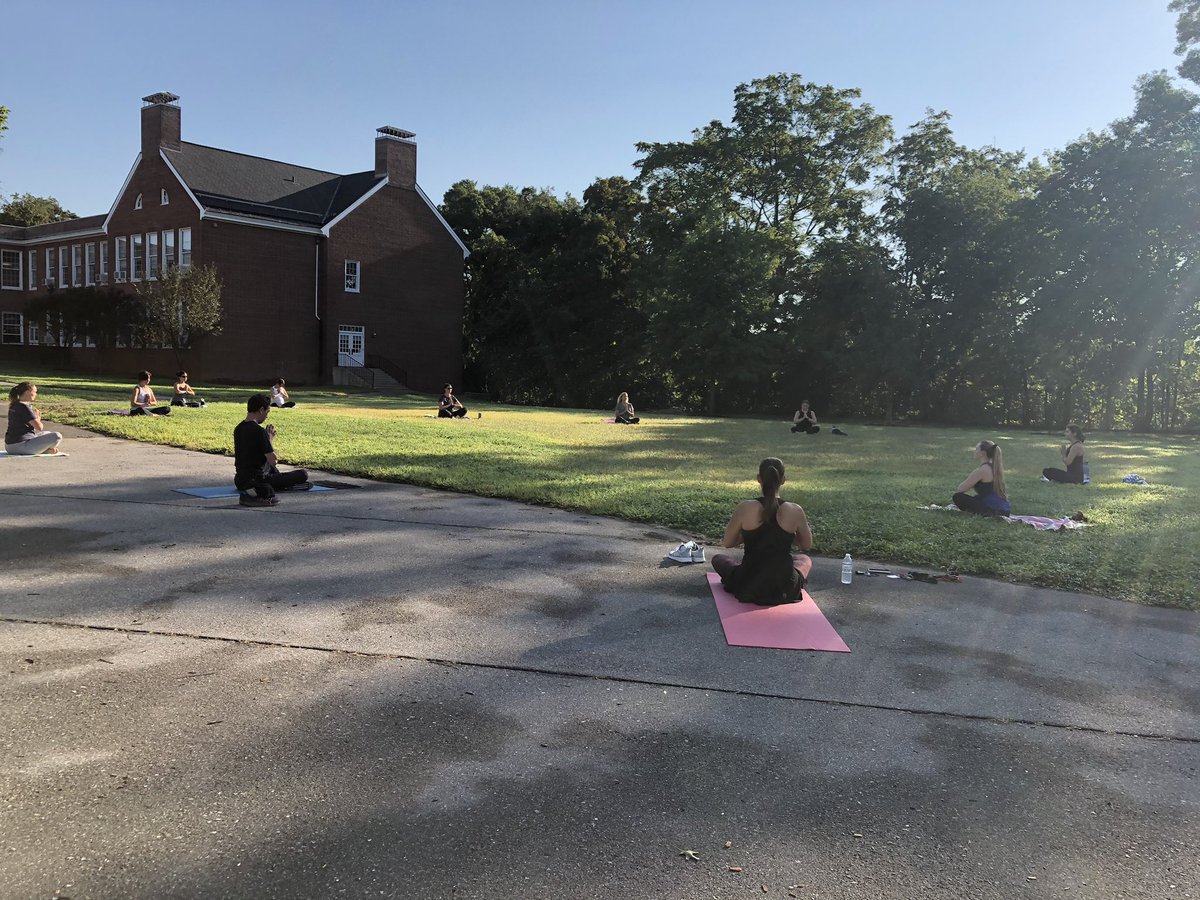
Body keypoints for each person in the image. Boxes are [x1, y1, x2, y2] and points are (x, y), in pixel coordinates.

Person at [711, 457, 813, 605]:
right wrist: (786, 535)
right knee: (804, 559)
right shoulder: (795, 510)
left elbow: (728, 542)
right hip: (785, 588)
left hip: (747, 584)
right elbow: (806, 544)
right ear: (783, 480)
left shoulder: (745, 507)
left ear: (759, 479)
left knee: (718, 559)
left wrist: (749, 534)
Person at [233, 393, 310, 507]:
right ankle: (282, 486)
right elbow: (273, 461)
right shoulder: (259, 431)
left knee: (273, 472)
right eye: (267, 412)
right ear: (261, 410)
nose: (267, 416)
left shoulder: (238, 429)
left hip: (240, 480)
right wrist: (269, 440)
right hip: (259, 479)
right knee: (303, 474)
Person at [952, 439, 1011, 516]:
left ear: (982, 453)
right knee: (977, 498)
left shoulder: (982, 470)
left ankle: (987, 514)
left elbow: (961, 489)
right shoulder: (994, 467)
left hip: (995, 510)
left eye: (976, 449)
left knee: (957, 497)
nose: (975, 451)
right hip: (1004, 509)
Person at [5, 382, 64, 456]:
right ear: (27, 392)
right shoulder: (24, 407)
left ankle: (42, 449)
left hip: (10, 446)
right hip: (20, 446)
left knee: (47, 433)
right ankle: (43, 450)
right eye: (34, 392)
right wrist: (38, 419)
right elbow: (39, 427)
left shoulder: (15, 404)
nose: (36, 394)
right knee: (57, 436)